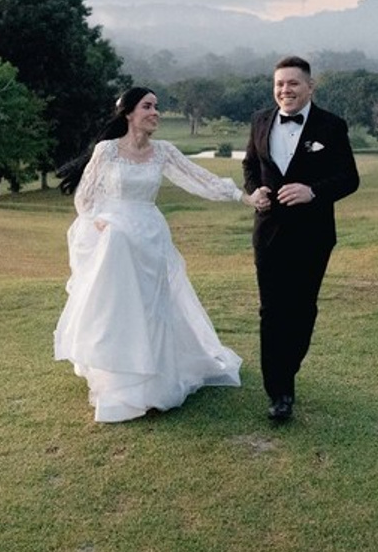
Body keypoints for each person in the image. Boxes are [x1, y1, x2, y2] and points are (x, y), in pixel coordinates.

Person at [54, 87, 269, 423]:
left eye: (157, 106)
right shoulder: (106, 151)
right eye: (148, 106)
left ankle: (155, 379)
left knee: (154, 307)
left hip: (150, 235)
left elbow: (201, 179)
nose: (155, 112)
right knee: (120, 306)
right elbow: (85, 199)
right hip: (114, 237)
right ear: (128, 113)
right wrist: (100, 223)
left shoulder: (163, 152)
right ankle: (119, 379)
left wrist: (244, 197)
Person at [243, 55, 359, 423]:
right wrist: (254, 192)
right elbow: (250, 165)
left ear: (310, 86)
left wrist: (313, 191)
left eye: (293, 83)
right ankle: (279, 390)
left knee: (302, 309)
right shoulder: (260, 121)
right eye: (279, 84)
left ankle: (287, 370)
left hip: (313, 235)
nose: (285, 90)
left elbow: (349, 178)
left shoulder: (331, 125)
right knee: (271, 311)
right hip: (268, 232)